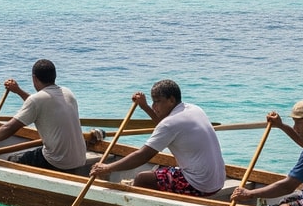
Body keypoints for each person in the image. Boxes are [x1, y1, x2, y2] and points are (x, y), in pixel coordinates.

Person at [90, 80, 226, 197]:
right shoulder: (194, 109)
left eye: (157, 101)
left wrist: (108, 168)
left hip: (199, 186)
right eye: (153, 102)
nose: (154, 106)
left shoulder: (170, 124)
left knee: (142, 178)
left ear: (171, 100)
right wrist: (144, 107)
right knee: (160, 168)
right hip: (218, 181)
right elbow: (164, 125)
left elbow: (142, 156)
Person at [0, 59, 90, 174]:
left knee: (13, 160)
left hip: (57, 161)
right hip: (79, 158)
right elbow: (38, 103)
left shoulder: (37, 100)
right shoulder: (67, 92)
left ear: (34, 78)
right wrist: (18, 91)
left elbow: (9, 128)